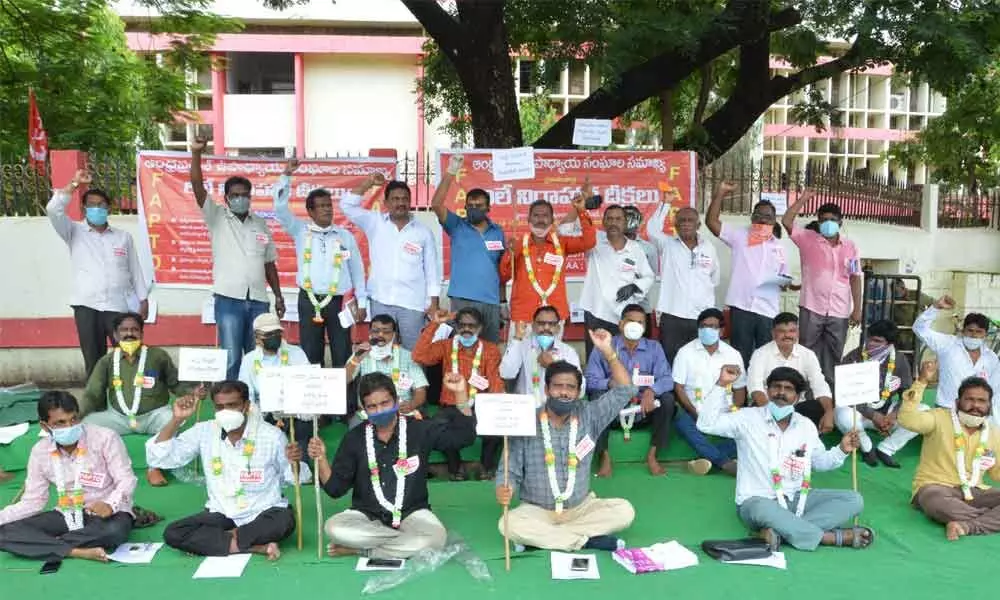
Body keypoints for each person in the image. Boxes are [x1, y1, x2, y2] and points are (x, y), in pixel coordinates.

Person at [297, 371, 475, 558]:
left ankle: (364, 549)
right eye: (372, 407)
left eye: (385, 403)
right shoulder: (354, 438)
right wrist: (322, 458)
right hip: (367, 516)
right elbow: (335, 489)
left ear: (396, 401)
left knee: (436, 537)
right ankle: (403, 543)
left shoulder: (419, 429)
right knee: (333, 528)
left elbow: (464, 437)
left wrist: (461, 394)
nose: (380, 411)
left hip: (411, 513)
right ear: (363, 409)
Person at [698, 366, 874, 551]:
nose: (781, 393)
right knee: (762, 509)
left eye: (788, 389)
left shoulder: (806, 426)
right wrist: (721, 384)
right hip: (758, 500)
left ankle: (777, 533)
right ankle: (828, 537)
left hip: (798, 499)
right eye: (776, 386)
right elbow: (706, 424)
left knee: (853, 500)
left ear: (798, 397)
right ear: (767, 390)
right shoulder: (747, 419)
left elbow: (819, 462)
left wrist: (842, 450)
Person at [497, 330, 636, 552]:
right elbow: (509, 470)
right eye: (558, 386)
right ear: (547, 389)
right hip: (537, 510)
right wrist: (505, 487)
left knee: (625, 510)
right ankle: (587, 540)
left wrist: (608, 351)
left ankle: (544, 540)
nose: (564, 392)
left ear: (578, 392)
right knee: (507, 523)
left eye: (570, 387)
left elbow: (626, 389)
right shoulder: (526, 421)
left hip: (581, 508)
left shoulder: (590, 415)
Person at [147, 381, 304, 561]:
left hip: (263, 510)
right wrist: (177, 420)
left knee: (284, 521)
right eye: (220, 407)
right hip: (222, 512)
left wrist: (295, 462)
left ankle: (220, 540)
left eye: (232, 405)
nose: (226, 411)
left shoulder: (272, 435)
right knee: (174, 533)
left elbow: (294, 478)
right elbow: (160, 457)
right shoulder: (204, 431)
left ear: (246, 406)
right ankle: (254, 546)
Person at [0, 391, 136, 562]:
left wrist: (110, 504)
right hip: (67, 513)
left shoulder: (105, 438)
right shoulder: (40, 451)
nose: (69, 427)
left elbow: (126, 479)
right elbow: (33, 501)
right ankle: (76, 551)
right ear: (44, 426)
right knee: (4, 533)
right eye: (60, 423)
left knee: (115, 532)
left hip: (106, 513)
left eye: (73, 419)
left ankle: (46, 545)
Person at [190, 137, 284, 380]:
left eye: (245, 195)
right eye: (235, 195)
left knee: (259, 357)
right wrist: (197, 154)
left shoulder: (261, 224)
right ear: (227, 198)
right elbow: (198, 187)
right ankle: (230, 406)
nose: (241, 198)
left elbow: (269, 263)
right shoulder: (217, 217)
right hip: (229, 300)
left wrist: (279, 295)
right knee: (231, 357)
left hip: (259, 301)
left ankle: (258, 405)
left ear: (251, 197)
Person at [46, 169, 149, 380]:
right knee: (94, 360)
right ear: (84, 208)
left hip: (117, 306)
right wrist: (74, 183)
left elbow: (134, 270)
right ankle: (96, 406)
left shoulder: (123, 237)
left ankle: (130, 400)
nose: (97, 209)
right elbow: (53, 209)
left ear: (108, 208)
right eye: (92, 205)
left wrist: (143, 299)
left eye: (101, 205)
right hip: (87, 306)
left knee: (129, 355)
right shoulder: (73, 232)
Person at [81, 312, 195, 486]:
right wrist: (76, 417)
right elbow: (93, 393)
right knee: (87, 426)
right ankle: (100, 468)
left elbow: (175, 383)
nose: (129, 334)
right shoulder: (107, 361)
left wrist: (191, 393)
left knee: (171, 420)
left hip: (154, 415)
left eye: (134, 329)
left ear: (141, 333)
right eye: (124, 330)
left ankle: (155, 467)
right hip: (118, 417)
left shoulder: (158, 356)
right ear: (116, 335)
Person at [273, 158, 367, 367]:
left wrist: (362, 302)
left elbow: (357, 271)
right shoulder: (299, 230)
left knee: (342, 352)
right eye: (321, 206)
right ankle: (313, 398)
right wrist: (286, 176)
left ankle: (345, 399)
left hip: (339, 302)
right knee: (310, 353)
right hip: (308, 300)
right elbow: (280, 209)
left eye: (329, 206)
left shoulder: (344, 236)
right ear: (311, 211)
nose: (327, 210)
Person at [900, 361, 1000, 541]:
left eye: (981, 401)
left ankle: (965, 525)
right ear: (957, 402)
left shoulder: (994, 432)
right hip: (936, 487)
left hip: (975, 490)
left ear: (989, 405)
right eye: (969, 399)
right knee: (935, 501)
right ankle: (987, 519)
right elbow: (907, 420)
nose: (975, 405)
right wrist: (922, 381)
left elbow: (996, 472)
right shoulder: (938, 418)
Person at [341, 173, 439, 350]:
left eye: (404, 199)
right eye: (395, 199)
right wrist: (369, 182)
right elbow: (347, 205)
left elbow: (432, 271)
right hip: (381, 300)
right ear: (386, 202)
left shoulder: (423, 232)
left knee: (414, 354)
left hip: (412, 303)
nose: (400, 203)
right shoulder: (374, 222)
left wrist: (433, 304)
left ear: (410, 202)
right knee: (381, 351)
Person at [782, 192, 863, 386]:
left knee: (834, 355)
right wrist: (803, 199)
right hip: (812, 307)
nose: (828, 223)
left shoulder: (850, 247)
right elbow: (786, 221)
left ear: (840, 222)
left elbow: (855, 278)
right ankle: (806, 394)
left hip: (839, 310)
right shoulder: (807, 239)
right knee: (806, 352)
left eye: (832, 220)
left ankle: (829, 397)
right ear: (818, 222)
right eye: (824, 220)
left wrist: (857, 308)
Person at [413, 307, 503, 480]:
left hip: (479, 403)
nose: (466, 329)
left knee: (495, 428)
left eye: (472, 325)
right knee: (438, 428)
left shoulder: (490, 350)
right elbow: (419, 356)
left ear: (480, 328)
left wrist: (496, 407)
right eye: (462, 325)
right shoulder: (447, 346)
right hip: (451, 404)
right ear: (456, 326)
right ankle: (455, 467)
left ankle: (486, 466)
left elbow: (494, 380)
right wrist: (435, 324)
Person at [706, 181, 790, 367]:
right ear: (752, 217)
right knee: (739, 356)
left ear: (774, 220)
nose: (762, 219)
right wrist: (720, 193)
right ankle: (740, 395)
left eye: (767, 216)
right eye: (758, 215)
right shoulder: (739, 235)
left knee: (764, 359)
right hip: (742, 307)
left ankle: (758, 394)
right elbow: (711, 222)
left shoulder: (779, 247)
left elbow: (784, 278)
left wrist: (783, 282)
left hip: (767, 310)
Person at [585, 304, 675, 477]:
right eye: (631, 321)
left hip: (643, 409)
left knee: (668, 400)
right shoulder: (605, 346)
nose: (636, 326)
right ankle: (604, 457)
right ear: (620, 324)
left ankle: (652, 456)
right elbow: (590, 381)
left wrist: (651, 391)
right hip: (613, 412)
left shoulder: (654, 348)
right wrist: (610, 384)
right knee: (596, 397)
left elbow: (667, 379)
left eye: (640, 322)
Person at [431, 154, 507, 343]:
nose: (474, 209)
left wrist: (503, 302)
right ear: (465, 207)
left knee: (489, 350)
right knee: (461, 348)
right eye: (470, 206)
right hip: (461, 299)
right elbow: (436, 204)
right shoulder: (456, 226)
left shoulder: (498, 232)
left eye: (479, 206)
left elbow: (501, 271)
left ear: (488, 208)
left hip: (491, 301)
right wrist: (451, 172)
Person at [500, 189, 597, 327]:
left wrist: (581, 211)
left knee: (553, 350)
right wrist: (511, 253)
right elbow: (503, 276)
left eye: (545, 215)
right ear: (528, 219)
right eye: (536, 215)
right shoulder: (518, 244)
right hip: (523, 316)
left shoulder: (562, 243)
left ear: (552, 220)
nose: (540, 219)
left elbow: (589, 242)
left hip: (554, 317)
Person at [671, 308, 744, 476]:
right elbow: (678, 387)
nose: (707, 330)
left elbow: (740, 388)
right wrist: (693, 411)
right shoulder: (685, 352)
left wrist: (735, 411)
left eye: (712, 326)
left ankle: (704, 459)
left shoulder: (733, 354)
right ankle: (725, 463)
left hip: (724, 413)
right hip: (693, 412)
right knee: (680, 418)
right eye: (703, 326)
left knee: (747, 433)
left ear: (722, 330)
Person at [647, 196, 720, 364]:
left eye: (690, 220)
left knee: (700, 362)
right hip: (673, 316)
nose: (686, 223)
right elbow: (652, 230)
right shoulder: (667, 245)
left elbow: (714, 279)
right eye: (681, 220)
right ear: (675, 225)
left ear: (698, 225)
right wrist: (665, 203)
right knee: (672, 361)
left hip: (702, 317)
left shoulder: (709, 247)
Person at [834, 320, 917, 468]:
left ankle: (886, 449)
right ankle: (867, 447)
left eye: (877, 341)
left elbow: (908, 393)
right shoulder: (854, 357)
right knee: (842, 413)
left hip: (887, 414)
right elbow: (844, 393)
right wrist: (872, 414)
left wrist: (894, 414)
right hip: (859, 412)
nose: (871, 343)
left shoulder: (899, 360)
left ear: (889, 344)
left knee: (920, 412)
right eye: (870, 338)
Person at [579, 205, 655, 360]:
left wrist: (635, 286)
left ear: (625, 223)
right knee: (596, 360)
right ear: (604, 222)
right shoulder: (593, 243)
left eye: (618, 219)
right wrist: (582, 208)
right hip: (596, 312)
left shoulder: (635, 249)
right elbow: (565, 230)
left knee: (622, 360)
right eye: (610, 219)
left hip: (622, 316)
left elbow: (648, 277)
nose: (614, 223)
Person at [747, 312, 834, 432]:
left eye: (792, 331)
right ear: (773, 333)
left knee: (816, 407)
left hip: (796, 409)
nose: (787, 335)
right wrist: (773, 416)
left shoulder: (808, 355)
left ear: (797, 333)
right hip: (767, 407)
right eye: (782, 331)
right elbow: (755, 389)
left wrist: (829, 413)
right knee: (755, 412)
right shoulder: (760, 354)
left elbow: (820, 387)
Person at [914, 295, 1000, 415]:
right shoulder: (947, 344)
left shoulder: (991, 358)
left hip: (976, 412)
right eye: (970, 330)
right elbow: (919, 329)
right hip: (946, 408)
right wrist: (936, 308)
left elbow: (995, 389)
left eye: (979, 332)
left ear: (985, 335)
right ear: (963, 330)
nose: (974, 335)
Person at [346, 314, 429, 425]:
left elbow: (420, 389)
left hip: (401, 411)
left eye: (386, 332)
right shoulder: (361, 354)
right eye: (376, 331)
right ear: (370, 333)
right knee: (355, 428)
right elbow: (343, 380)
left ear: (394, 335)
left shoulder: (407, 356)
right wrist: (356, 359)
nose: (380, 335)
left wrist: (412, 404)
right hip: (370, 412)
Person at [500, 306, 583, 406]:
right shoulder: (522, 346)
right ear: (533, 326)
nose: (546, 328)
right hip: (526, 408)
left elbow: (581, 390)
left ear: (558, 328)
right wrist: (517, 338)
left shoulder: (568, 352)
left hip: (557, 410)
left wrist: (554, 366)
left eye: (551, 324)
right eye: (541, 323)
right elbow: (506, 373)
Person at [623, 205, 660, 335]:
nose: (629, 222)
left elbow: (652, 276)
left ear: (639, 221)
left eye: (633, 218)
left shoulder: (649, 248)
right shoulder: (610, 246)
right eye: (626, 218)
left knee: (642, 347)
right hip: (615, 307)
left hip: (642, 307)